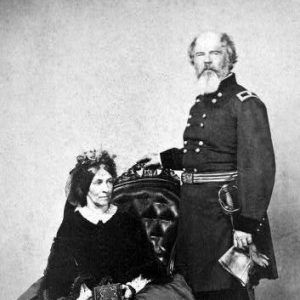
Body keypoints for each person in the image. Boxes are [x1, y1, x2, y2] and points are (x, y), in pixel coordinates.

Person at [146, 31, 278, 299]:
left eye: (215, 53)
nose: (207, 61)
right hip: (195, 216)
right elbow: (204, 155)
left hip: (226, 217)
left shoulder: (246, 103)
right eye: (200, 55)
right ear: (193, 61)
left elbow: (259, 168)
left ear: (229, 58)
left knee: (226, 291)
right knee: (195, 290)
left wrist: (247, 223)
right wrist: (163, 159)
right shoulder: (200, 103)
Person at [39, 149, 168, 300]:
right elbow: (58, 272)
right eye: (98, 183)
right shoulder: (73, 223)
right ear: (84, 187)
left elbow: (149, 264)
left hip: (127, 292)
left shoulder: (126, 217)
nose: (106, 189)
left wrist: (132, 288)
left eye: (109, 182)